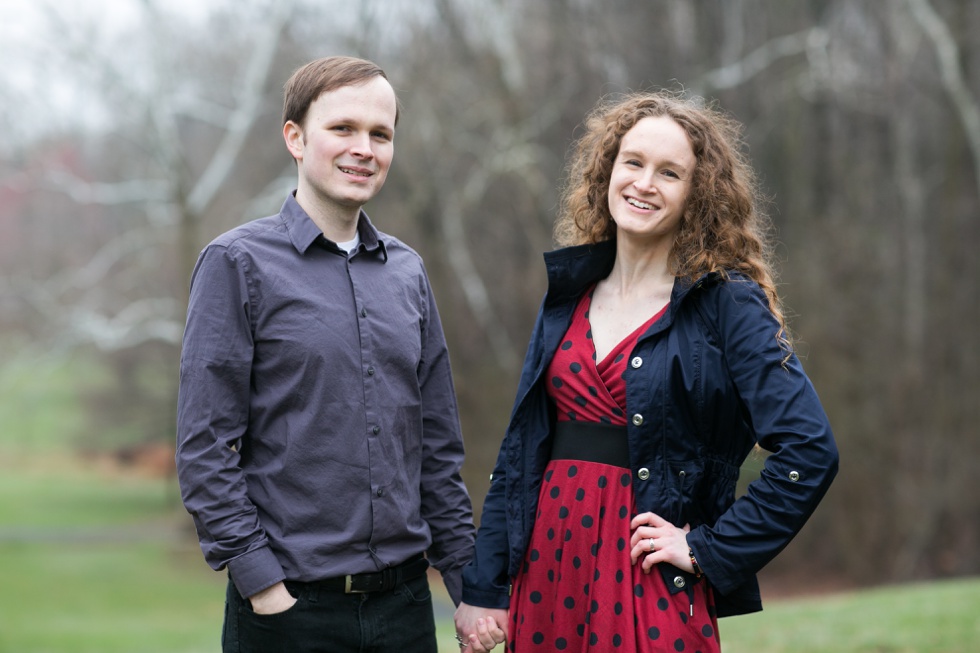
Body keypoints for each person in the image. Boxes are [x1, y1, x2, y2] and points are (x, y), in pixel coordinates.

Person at [453, 90, 839, 652]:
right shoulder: (569, 295)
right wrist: (484, 585)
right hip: (546, 568)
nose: (643, 183)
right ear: (608, 171)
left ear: (697, 196)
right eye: (632, 162)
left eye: (669, 173)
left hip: (648, 575)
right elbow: (520, 454)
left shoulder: (727, 303)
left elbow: (810, 449)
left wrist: (709, 548)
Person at [175, 55, 474, 653]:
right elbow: (205, 445)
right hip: (289, 611)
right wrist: (261, 583)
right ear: (295, 137)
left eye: (380, 134)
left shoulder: (408, 271)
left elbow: (436, 445)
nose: (364, 148)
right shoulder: (237, 264)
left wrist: (468, 585)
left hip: (406, 610)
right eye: (343, 128)